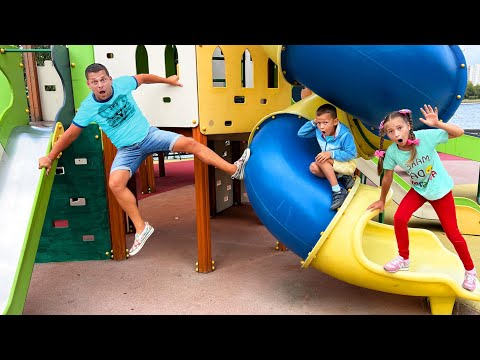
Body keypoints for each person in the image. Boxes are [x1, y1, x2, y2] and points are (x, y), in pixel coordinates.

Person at [38, 63, 250, 257]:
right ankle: (141, 227)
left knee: (190, 143)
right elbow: (71, 134)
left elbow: (143, 77)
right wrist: (50, 156)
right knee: (115, 183)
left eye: (103, 79)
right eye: (95, 82)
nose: (100, 85)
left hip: (149, 135)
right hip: (127, 150)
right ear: (89, 84)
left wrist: (169, 81)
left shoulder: (122, 84)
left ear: (110, 79)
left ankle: (234, 169)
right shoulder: (88, 107)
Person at [366, 104, 477, 291]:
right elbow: (387, 177)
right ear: (387, 135)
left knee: (452, 233)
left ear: (409, 126)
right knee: (400, 219)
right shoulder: (393, 152)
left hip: (440, 190)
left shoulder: (425, 137)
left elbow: (459, 132)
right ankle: (404, 258)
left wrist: (438, 123)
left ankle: (470, 271)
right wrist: (382, 200)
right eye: (390, 131)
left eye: (399, 128)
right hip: (419, 190)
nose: (395, 134)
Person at [297, 103, 357, 210]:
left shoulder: (344, 134)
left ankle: (338, 191)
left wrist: (331, 154)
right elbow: (301, 133)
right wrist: (313, 122)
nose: (321, 126)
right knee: (313, 168)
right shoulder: (318, 131)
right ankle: (341, 177)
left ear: (335, 122)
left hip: (346, 164)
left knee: (320, 159)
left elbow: (351, 154)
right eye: (319, 123)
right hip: (331, 164)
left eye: (325, 122)